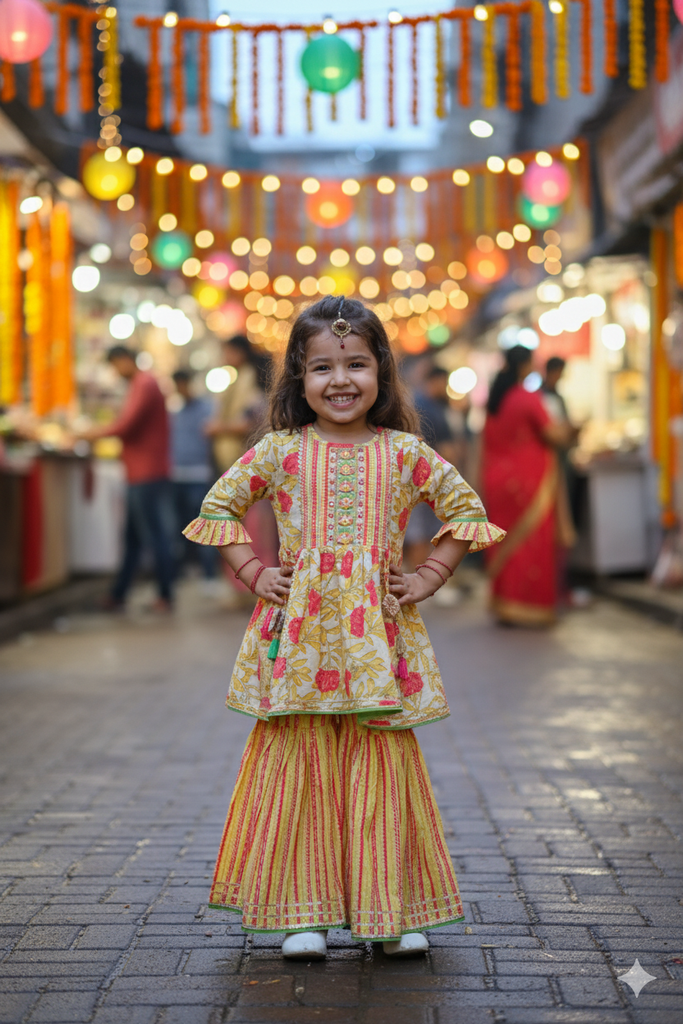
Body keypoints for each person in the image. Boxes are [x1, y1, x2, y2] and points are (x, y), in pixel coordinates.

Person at [183, 296, 505, 960]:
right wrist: (251, 569)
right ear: (298, 380)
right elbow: (219, 506)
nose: (340, 381)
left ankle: (388, 910)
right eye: (322, 367)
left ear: (382, 374)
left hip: (376, 642)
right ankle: (300, 914)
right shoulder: (279, 451)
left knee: (380, 763)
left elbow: (465, 512)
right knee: (302, 762)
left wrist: (424, 579)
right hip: (300, 638)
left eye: (356, 364)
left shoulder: (406, 452)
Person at [481, 345, 572, 626]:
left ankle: (504, 604)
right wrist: (572, 429)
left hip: (497, 480)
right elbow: (553, 434)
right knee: (533, 543)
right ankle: (530, 609)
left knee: (505, 541)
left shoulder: (495, 399)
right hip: (528, 481)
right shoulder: (526, 397)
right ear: (524, 366)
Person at [82, 345, 174, 611]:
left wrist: (92, 434)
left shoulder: (144, 383)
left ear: (123, 360)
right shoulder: (144, 383)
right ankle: (120, 592)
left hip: (148, 472)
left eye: (114, 365)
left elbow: (126, 424)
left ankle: (165, 595)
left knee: (154, 536)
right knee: (133, 538)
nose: (114, 372)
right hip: (142, 471)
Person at [170, 369, 217, 583]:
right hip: (177, 475)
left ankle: (209, 574)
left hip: (199, 474)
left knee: (204, 526)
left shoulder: (207, 409)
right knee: (180, 527)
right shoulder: (176, 412)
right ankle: (183, 571)